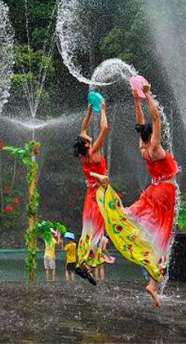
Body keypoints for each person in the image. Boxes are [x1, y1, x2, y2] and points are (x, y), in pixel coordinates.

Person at [93, 83, 178, 307]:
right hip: (164, 193)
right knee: (160, 238)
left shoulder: (143, 147)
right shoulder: (155, 148)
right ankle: (152, 283)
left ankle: (109, 196)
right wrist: (148, 94)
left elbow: (141, 125)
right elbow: (156, 118)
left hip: (152, 191)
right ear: (154, 136)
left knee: (130, 216)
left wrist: (136, 99)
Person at [73, 100, 109, 285]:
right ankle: (86, 263)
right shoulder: (93, 152)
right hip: (99, 194)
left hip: (90, 194)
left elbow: (83, 128)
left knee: (88, 229)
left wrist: (89, 109)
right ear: (87, 146)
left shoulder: (84, 155)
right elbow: (104, 128)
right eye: (87, 139)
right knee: (96, 230)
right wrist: (102, 110)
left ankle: (82, 264)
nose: (89, 137)